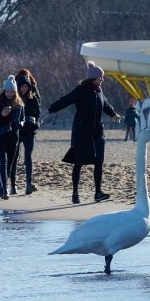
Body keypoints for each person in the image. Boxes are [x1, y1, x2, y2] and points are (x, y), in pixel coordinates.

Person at [47, 62, 122, 204]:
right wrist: (49, 110)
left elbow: (105, 104)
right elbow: (65, 100)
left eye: (102, 77)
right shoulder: (80, 90)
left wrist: (113, 114)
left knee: (99, 161)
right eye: (100, 77)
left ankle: (98, 193)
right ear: (92, 78)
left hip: (98, 133)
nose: (102, 80)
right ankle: (75, 194)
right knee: (79, 162)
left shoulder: (99, 90)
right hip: (82, 133)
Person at [0, 76, 24, 200]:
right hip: (0, 135)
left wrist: (20, 124)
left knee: (10, 163)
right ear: (4, 91)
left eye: (12, 91)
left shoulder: (19, 105)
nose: (9, 93)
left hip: (13, 136)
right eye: (7, 91)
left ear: (15, 92)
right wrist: (1, 115)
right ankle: (4, 189)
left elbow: (22, 120)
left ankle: (2, 187)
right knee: (2, 162)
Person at [14, 72, 41, 194]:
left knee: (28, 157)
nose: (24, 88)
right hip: (17, 131)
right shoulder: (14, 99)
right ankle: (13, 185)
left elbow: (38, 113)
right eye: (22, 86)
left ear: (29, 87)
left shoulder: (33, 98)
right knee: (14, 157)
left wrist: (36, 123)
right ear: (18, 87)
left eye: (26, 86)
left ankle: (28, 184)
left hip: (30, 131)